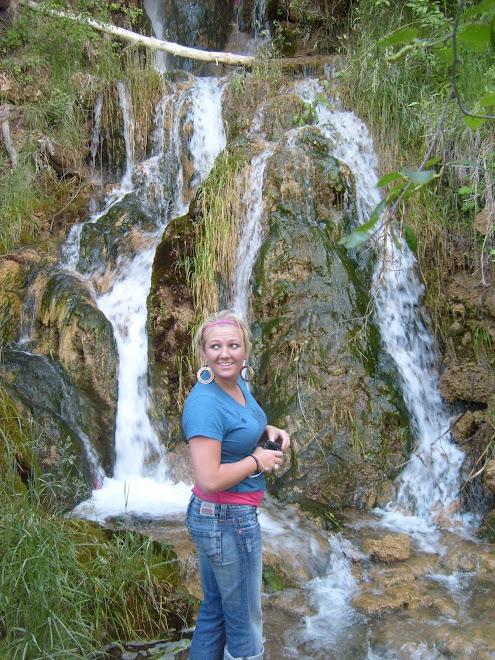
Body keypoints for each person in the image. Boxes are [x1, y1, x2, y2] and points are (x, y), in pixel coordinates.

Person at [182, 309, 290, 660]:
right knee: (245, 624)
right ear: (203, 353)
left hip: (221, 518)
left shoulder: (235, 382)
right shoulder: (204, 404)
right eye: (216, 347)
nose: (224, 353)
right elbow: (208, 478)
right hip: (226, 520)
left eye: (233, 345)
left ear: (245, 350)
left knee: (215, 612)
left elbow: (241, 423)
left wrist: (267, 431)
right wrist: (257, 461)